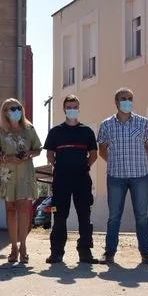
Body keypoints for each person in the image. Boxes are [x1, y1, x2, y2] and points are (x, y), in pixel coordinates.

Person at [97, 88, 148, 265]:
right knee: (114, 216)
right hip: (116, 177)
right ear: (116, 102)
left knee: (142, 216)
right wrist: (115, 163)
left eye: (130, 98)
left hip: (140, 176)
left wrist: (138, 162)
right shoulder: (106, 125)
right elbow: (102, 150)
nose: (127, 101)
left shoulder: (143, 123)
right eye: (123, 98)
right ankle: (109, 253)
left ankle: (146, 253)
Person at [43, 95, 100, 264]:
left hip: (82, 179)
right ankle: (56, 253)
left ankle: (85, 252)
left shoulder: (87, 131)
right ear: (64, 109)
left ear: (79, 108)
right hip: (61, 180)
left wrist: (84, 166)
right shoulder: (55, 132)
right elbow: (50, 155)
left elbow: (94, 154)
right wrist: (60, 167)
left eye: (75, 107)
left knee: (84, 215)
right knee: (60, 216)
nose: (72, 110)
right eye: (69, 107)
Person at [0, 98, 42, 264]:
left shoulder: (29, 129)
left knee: (24, 210)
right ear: (5, 112)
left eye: (18, 108)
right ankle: (13, 247)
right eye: (12, 109)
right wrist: (8, 158)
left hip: (25, 174)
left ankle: (23, 246)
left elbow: (38, 148)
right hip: (8, 174)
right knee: (11, 210)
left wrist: (29, 154)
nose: (16, 111)